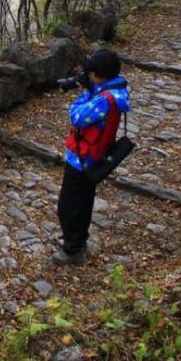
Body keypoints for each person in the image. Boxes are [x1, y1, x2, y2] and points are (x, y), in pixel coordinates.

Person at [52, 48, 130, 266]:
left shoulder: (104, 100)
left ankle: (72, 250)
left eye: (91, 74)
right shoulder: (117, 89)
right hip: (95, 156)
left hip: (82, 160)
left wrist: (85, 92)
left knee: (68, 206)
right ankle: (78, 240)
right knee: (84, 202)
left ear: (98, 75)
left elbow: (77, 117)